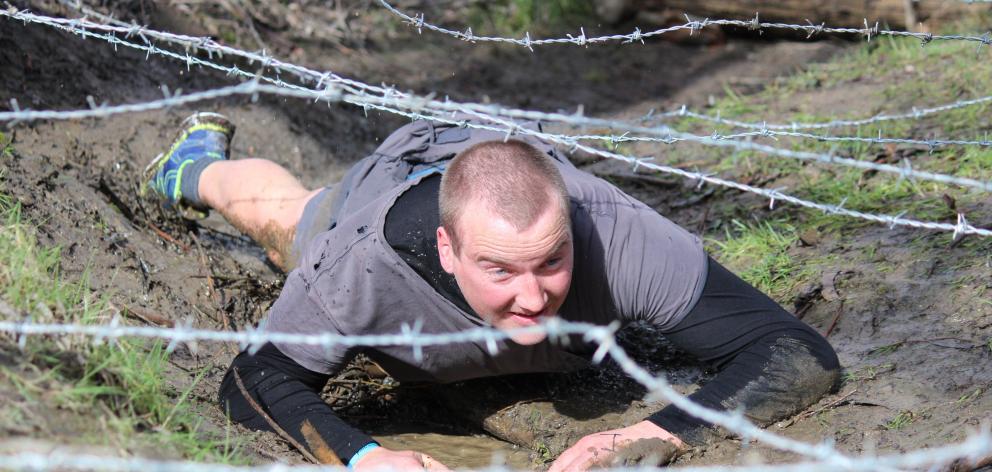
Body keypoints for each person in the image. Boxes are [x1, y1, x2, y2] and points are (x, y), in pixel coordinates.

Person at [144, 112, 841, 471]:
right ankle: (196, 167)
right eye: (501, 272)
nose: (534, 297)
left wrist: (651, 433)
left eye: (551, 263)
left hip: (499, 163)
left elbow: (797, 350)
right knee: (283, 220)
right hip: (378, 193)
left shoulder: (614, 232)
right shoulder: (363, 262)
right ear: (449, 251)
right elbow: (253, 380)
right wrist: (365, 456)